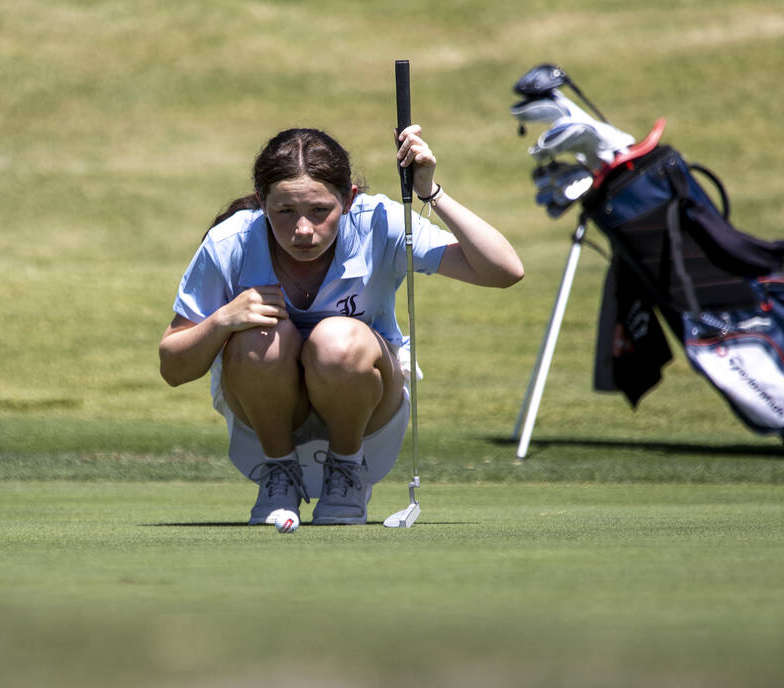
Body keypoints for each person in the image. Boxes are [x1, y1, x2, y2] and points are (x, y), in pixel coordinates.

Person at [159, 126, 523, 526]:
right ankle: (279, 474)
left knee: (337, 340)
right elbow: (173, 369)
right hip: (262, 424)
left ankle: (346, 471)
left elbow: (505, 271)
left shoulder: (379, 220)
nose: (302, 230)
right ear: (262, 203)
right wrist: (222, 321)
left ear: (349, 199)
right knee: (258, 338)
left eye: (319, 211)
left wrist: (429, 192)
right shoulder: (230, 241)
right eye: (284, 212)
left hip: (369, 420)